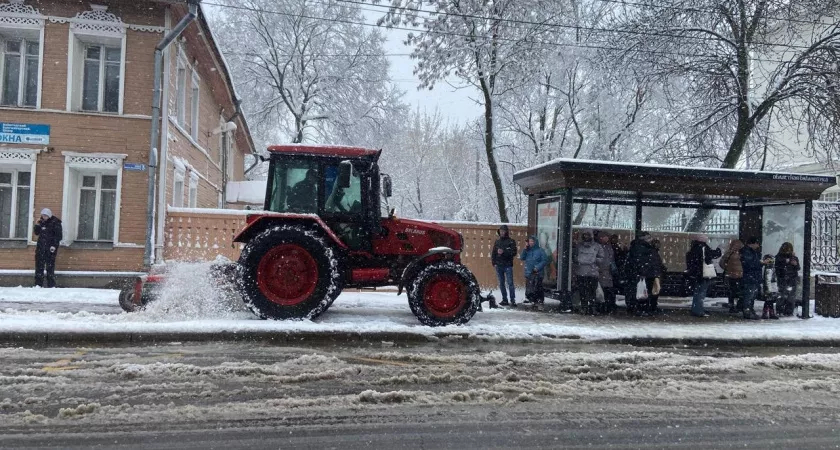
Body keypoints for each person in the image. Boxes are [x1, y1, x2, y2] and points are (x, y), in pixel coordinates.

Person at [685, 234, 722, 318]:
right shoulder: (703, 247)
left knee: (697, 292)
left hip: (696, 274)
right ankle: (698, 310)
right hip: (703, 273)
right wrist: (718, 250)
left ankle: (696, 309)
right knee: (701, 293)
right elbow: (712, 255)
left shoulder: (694, 248)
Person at [626, 232, 660, 316]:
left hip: (644, 273)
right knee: (641, 291)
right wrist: (643, 271)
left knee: (641, 291)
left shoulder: (642, 248)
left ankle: (638, 308)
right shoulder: (642, 248)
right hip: (643, 274)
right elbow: (641, 261)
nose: (651, 240)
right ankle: (639, 308)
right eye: (649, 238)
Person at [740, 236, 772, 320]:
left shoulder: (750, 252)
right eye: (757, 244)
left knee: (751, 295)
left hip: (752, 276)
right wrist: (761, 263)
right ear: (753, 243)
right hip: (750, 276)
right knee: (749, 295)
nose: (758, 246)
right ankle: (748, 311)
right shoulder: (747, 252)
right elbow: (749, 264)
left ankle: (749, 310)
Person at [574, 230, 602, 315]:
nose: (586, 237)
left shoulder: (597, 246)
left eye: (587, 235)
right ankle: (584, 308)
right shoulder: (579, 246)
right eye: (584, 235)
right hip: (581, 272)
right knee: (583, 292)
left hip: (592, 273)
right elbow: (574, 257)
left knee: (592, 292)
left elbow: (601, 258)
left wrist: (593, 261)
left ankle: (591, 308)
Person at [33, 208, 62, 288]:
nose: (44, 217)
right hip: (41, 248)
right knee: (39, 266)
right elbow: (36, 232)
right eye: (42, 215)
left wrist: (54, 245)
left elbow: (58, 236)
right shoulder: (41, 222)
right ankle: (38, 284)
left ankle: (51, 284)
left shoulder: (55, 222)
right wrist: (37, 225)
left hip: (50, 248)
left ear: (49, 215)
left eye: (45, 216)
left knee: (50, 267)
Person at [491, 225, 518, 307]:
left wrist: (504, 252)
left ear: (506, 232)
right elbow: (494, 253)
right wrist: (494, 262)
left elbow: (514, 252)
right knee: (501, 283)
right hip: (499, 265)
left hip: (508, 265)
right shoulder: (497, 241)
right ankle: (504, 299)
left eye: (503, 231)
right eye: (501, 231)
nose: (502, 232)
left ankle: (512, 300)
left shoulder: (511, 241)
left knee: (510, 283)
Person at [520, 236, 548, 311]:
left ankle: (539, 301)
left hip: (538, 273)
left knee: (538, 287)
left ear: (535, 242)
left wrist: (537, 267)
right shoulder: (527, 250)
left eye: (532, 241)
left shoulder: (540, 251)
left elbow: (545, 260)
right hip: (529, 273)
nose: (530, 243)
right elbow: (522, 257)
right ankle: (531, 300)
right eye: (529, 241)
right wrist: (525, 249)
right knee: (529, 287)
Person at [775, 242, 800, 316]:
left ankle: (788, 311)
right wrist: (785, 262)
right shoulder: (779, 257)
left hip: (792, 278)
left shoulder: (794, 257)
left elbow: (798, 268)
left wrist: (795, 264)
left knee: (791, 296)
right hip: (783, 278)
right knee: (782, 295)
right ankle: (780, 310)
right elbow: (778, 268)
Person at [720, 239, 744, 314]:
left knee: (731, 292)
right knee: (741, 292)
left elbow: (721, 263)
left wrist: (727, 268)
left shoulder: (729, 253)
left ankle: (732, 306)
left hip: (730, 275)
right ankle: (739, 306)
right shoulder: (743, 253)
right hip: (740, 275)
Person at [597, 232, 617, 314]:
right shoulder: (599, 247)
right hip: (602, 271)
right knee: (603, 290)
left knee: (607, 290)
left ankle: (607, 306)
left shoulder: (608, 247)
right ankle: (603, 307)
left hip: (607, 272)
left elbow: (611, 259)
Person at [648, 239, 667, 315]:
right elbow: (656, 264)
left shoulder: (652, 252)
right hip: (655, 275)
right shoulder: (654, 253)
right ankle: (653, 306)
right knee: (654, 291)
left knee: (654, 291)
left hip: (654, 274)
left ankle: (652, 306)